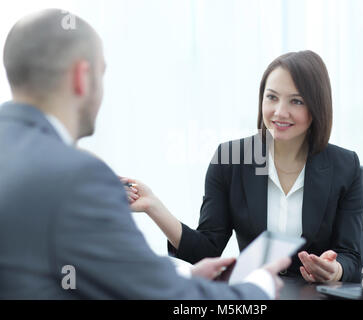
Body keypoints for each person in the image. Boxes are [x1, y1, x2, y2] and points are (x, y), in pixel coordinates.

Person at [0, 9, 291, 299]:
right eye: (102, 74)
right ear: (82, 77)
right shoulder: (77, 175)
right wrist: (257, 289)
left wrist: (183, 274)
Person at [123, 51, 363, 283]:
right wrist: (153, 206)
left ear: (316, 107)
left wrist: (336, 270)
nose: (279, 112)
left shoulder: (345, 166)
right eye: (272, 97)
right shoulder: (231, 159)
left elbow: (351, 256)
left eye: (296, 101)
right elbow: (205, 252)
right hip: (254, 298)